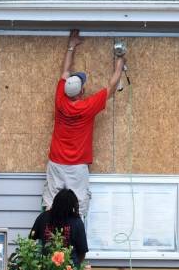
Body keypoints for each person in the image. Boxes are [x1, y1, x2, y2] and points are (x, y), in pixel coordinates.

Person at [42, 29, 127, 216]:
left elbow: (65, 71)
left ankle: (50, 241)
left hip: (56, 162)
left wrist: (72, 44)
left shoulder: (60, 99)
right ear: (81, 92)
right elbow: (111, 87)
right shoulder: (88, 107)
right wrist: (120, 63)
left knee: (50, 205)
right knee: (78, 206)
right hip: (77, 166)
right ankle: (74, 241)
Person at [31, 188, 88, 265]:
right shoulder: (77, 222)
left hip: (46, 268)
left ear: (55, 202)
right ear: (72, 205)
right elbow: (82, 252)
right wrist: (76, 268)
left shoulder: (43, 217)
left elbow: (31, 239)